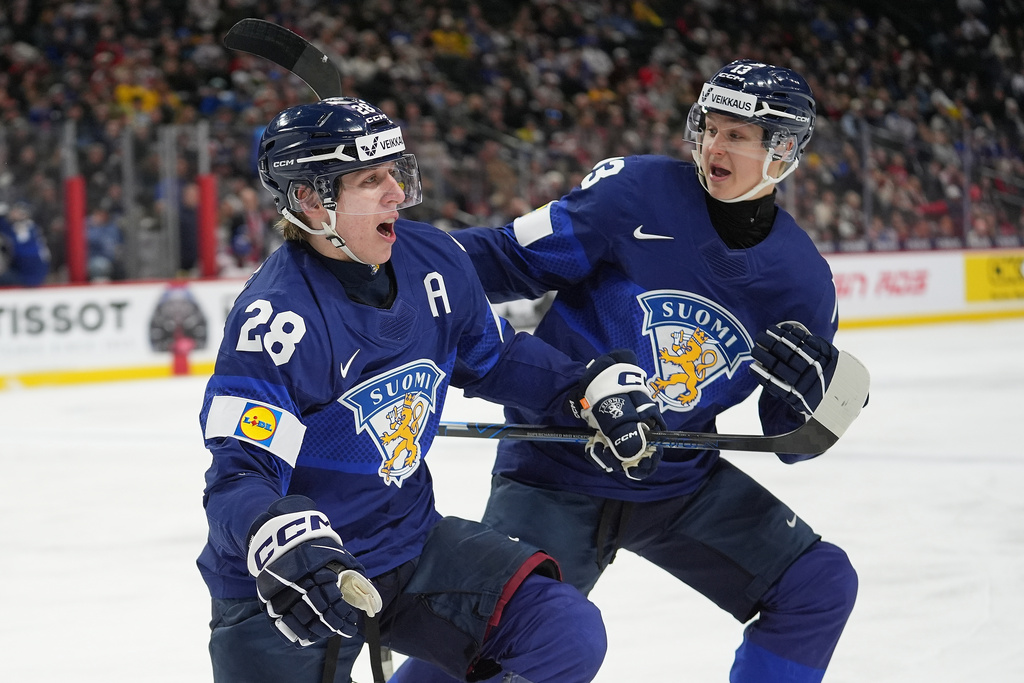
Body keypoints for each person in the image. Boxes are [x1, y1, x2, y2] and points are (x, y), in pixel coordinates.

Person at [393, 60, 866, 683]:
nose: (714, 146)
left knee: (816, 583)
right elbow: (510, 257)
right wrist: (397, 254)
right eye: (711, 127)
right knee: (495, 640)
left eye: (737, 134)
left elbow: (788, 440)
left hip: (676, 486)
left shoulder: (802, 280)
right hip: (557, 468)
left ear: (782, 149)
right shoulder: (636, 192)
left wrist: (815, 397)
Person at [197, 96, 666, 683]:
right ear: (314, 201)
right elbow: (240, 474)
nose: (396, 192)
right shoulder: (278, 319)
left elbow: (493, 358)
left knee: (562, 630)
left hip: (411, 546)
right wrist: (280, 536)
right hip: (294, 583)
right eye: (372, 180)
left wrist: (584, 386)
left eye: (394, 172)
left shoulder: (433, 259)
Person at [0, 201, 50, 287]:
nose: (12, 213)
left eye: (16, 211)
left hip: (30, 275)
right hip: (32, 272)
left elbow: (21, 253)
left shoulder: (24, 227)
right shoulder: (31, 226)